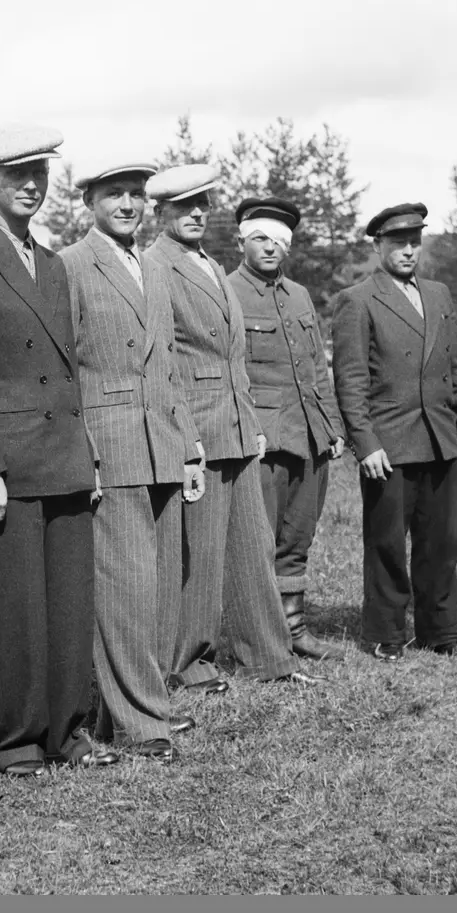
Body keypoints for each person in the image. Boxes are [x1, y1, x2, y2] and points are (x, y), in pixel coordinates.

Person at [0, 124, 117, 778]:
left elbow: (70, 368)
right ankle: (15, 739)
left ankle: (69, 732)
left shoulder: (53, 263)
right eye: (16, 174)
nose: (30, 185)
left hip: (65, 455)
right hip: (8, 464)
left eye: (39, 172)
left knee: (69, 607)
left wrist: (89, 456)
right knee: (10, 607)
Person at [144, 164, 323, 688]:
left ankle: (268, 658)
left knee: (251, 548)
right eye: (183, 206)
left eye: (203, 205)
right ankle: (189, 664)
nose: (196, 213)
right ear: (161, 212)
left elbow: (233, 354)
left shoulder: (209, 266)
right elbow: (163, 361)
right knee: (199, 557)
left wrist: (249, 417)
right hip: (196, 427)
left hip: (238, 426)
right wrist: (185, 438)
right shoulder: (156, 266)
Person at [60, 159, 207, 763]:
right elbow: (64, 369)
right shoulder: (70, 266)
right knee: (123, 587)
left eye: (136, 195)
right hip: (111, 441)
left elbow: (168, 362)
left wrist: (190, 440)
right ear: (89, 201)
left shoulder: (152, 265)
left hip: (163, 443)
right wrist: (83, 453)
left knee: (156, 587)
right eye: (114, 194)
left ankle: (139, 703)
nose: (128, 204)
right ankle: (138, 722)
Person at [331, 202, 457, 662]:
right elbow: (351, 381)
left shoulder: (438, 295)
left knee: (443, 542)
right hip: (390, 446)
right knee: (386, 544)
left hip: (442, 439)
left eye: (414, 242)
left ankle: (442, 632)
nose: (407, 251)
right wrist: (366, 444)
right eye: (397, 243)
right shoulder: (358, 300)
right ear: (378, 246)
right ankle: (385, 634)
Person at [226, 197, 346, 660]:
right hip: (263, 439)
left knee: (298, 535)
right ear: (242, 241)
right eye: (260, 239)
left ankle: (294, 628)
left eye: (278, 241)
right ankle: (262, 640)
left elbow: (317, 364)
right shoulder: (227, 291)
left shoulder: (299, 295)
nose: (270, 248)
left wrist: (332, 425)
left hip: (309, 434)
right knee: (259, 541)